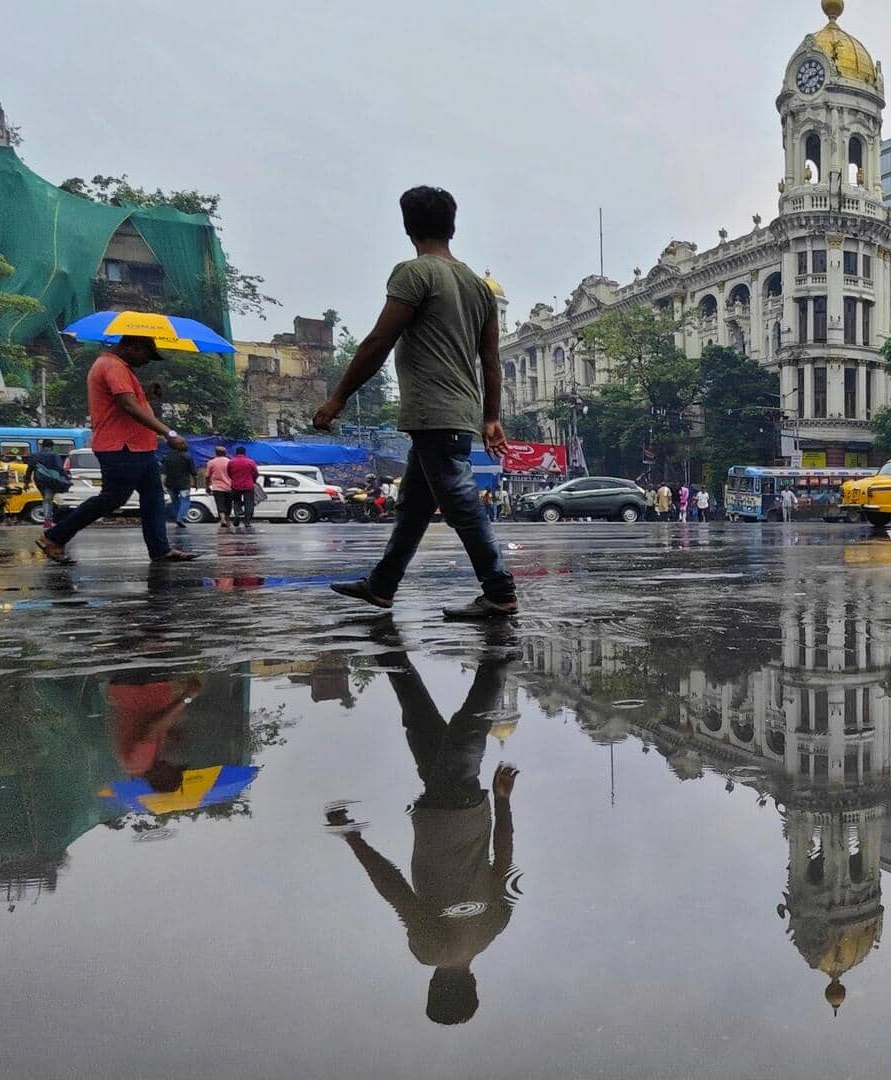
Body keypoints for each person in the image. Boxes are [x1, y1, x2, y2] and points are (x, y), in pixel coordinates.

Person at [315, 185, 518, 621]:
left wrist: (337, 398)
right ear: (452, 226)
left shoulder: (414, 273)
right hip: (458, 411)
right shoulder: (479, 288)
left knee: (461, 501)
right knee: (415, 504)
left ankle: (499, 590)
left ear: (408, 227)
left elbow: (378, 341)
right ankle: (383, 585)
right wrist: (491, 417)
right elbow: (491, 360)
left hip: (434, 411)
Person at [327, 634, 519, 1026]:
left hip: (463, 803)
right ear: (433, 985)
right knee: (465, 725)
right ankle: (502, 646)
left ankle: (385, 633)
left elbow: (505, 860)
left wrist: (501, 800)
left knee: (416, 711)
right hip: (441, 806)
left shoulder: (495, 927)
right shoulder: (430, 950)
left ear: (474, 985)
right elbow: (393, 888)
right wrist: (352, 837)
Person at [36, 336, 198, 565]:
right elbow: (128, 406)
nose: (147, 362)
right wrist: (168, 433)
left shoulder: (118, 367)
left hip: (139, 447)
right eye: (146, 355)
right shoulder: (113, 365)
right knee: (113, 498)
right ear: (132, 347)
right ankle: (54, 536)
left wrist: (147, 395)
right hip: (122, 447)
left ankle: (160, 549)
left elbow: (123, 403)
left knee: (153, 498)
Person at [29, 439, 73, 528]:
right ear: (52, 447)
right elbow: (60, 469)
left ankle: (47, 519)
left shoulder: (35, 455)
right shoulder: (54, 455)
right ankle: (47, 520)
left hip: (39, 481)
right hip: (51, 481)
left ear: (42, 446)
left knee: (46, 498)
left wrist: (26, 482)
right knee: (48, 499)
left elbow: (29, 469)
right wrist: (67, 479)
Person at [162, 443, 196, 530]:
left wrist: (162, 484)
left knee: (175, 501)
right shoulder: (187, 456)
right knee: (185, 501)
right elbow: (193, 472)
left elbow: (163, 472)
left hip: (170, 484)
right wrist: (195, 483)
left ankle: (178, 518)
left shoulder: (167, 457)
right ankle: (180, 519)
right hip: (184, 484)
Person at [226, 446, 260, 529]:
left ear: (236, 453)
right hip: (248, 485)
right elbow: (256, 473)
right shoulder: (250, 462)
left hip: (235, 485)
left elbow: (229, 473)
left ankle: (237, 516)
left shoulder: (231, 462)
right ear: (245, 453)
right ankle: (247, 521)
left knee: (237, 502)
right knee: (249, 503)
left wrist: (234, 479)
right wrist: (253, 480)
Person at [204, 446, 234, 527]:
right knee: (228, 504)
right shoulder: (230, 462)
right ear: (225, 453)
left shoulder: (211, 462)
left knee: (219, 503)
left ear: (216, 453)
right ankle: (227, 519)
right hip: (229, 487)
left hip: (217, 487)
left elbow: (207, 476)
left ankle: (222, 519)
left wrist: (207, 487)